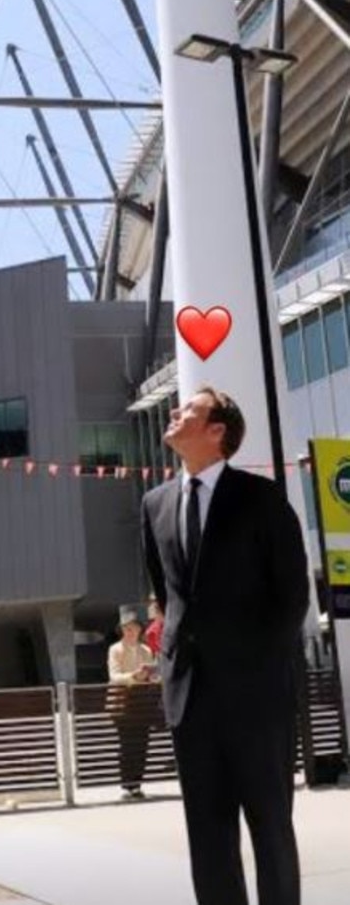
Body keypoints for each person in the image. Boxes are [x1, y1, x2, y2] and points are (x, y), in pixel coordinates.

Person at [141, 386, 309, 905]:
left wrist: (258, 670)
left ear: (217, 431)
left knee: (271, 828)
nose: (174, 413)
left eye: (188, 409)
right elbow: (166, 594)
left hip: (257, 700)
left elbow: (293, 598)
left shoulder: (261, 499)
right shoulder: (155, 503)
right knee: (208, 837)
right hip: (190, 699)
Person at [107, 610, 156, 799]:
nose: (130, 632)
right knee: (127, 745)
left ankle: (137, 784)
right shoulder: (115, 649)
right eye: (127, 629)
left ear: (139, 630)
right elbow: (114, 676)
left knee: (142, 744)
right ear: (122, 630)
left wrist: (150, 675)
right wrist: (133, 676)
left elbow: (152, 673)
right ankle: (128, 784)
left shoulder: (146, 650)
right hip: (123, 703)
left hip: (142, 702)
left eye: (134, 628)